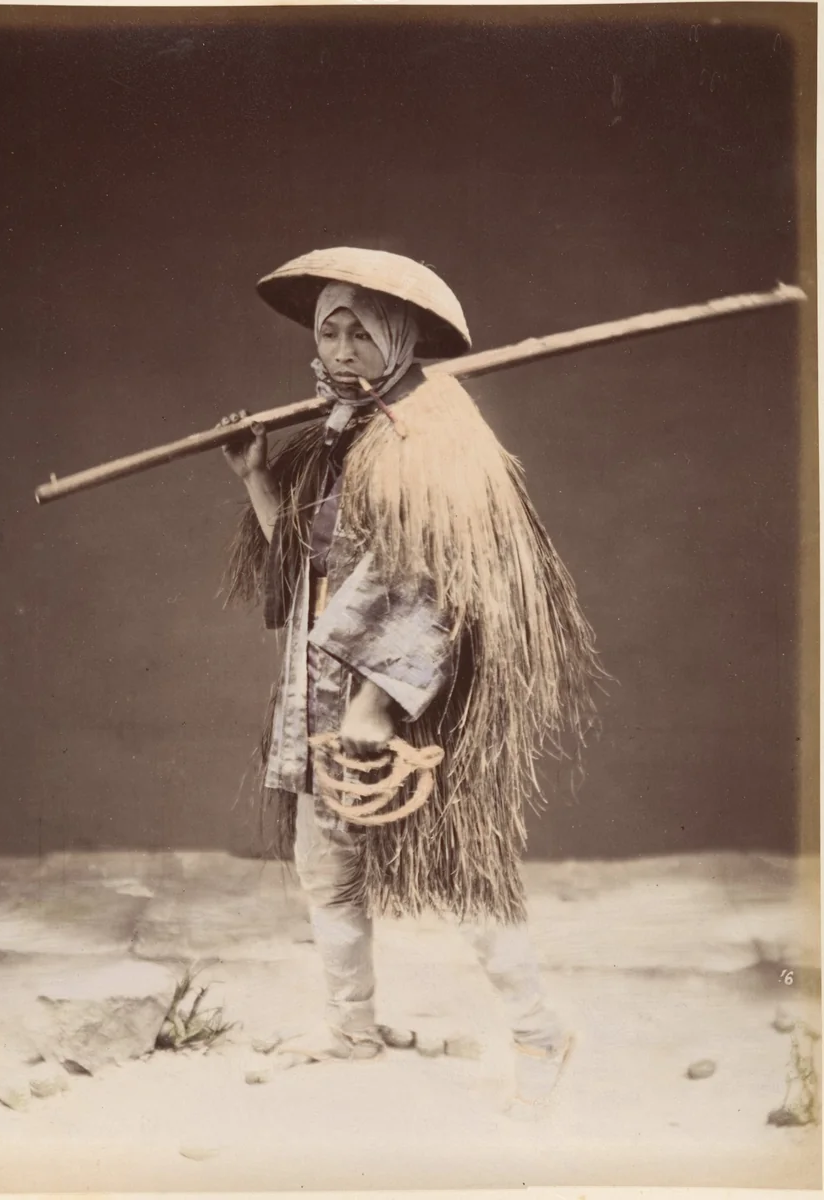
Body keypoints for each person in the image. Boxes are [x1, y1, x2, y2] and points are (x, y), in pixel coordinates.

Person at [219, 247, 603, 1110]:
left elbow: (436, 587)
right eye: (331, 327)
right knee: (327, 867)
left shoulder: (434, 434)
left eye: (363, 328)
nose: (345, 346)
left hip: (410, 701)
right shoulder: (336, 428)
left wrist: (375, 703)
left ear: (401, 335)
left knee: (463, 876)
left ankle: (541, 1031)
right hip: (320, 685)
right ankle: (350, 1027)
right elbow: (302, 573)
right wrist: (255, 477)